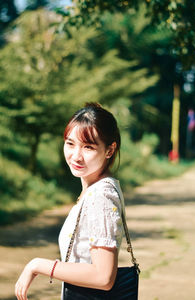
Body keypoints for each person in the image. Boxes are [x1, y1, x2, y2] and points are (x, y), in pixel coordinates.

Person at [15, 102, 126, 300]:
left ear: (109, 150)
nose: (76, 156)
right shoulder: (96, 189)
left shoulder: (100, 196)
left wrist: (37, 265)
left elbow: (104, 277)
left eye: (88, 147)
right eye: (70, 143)